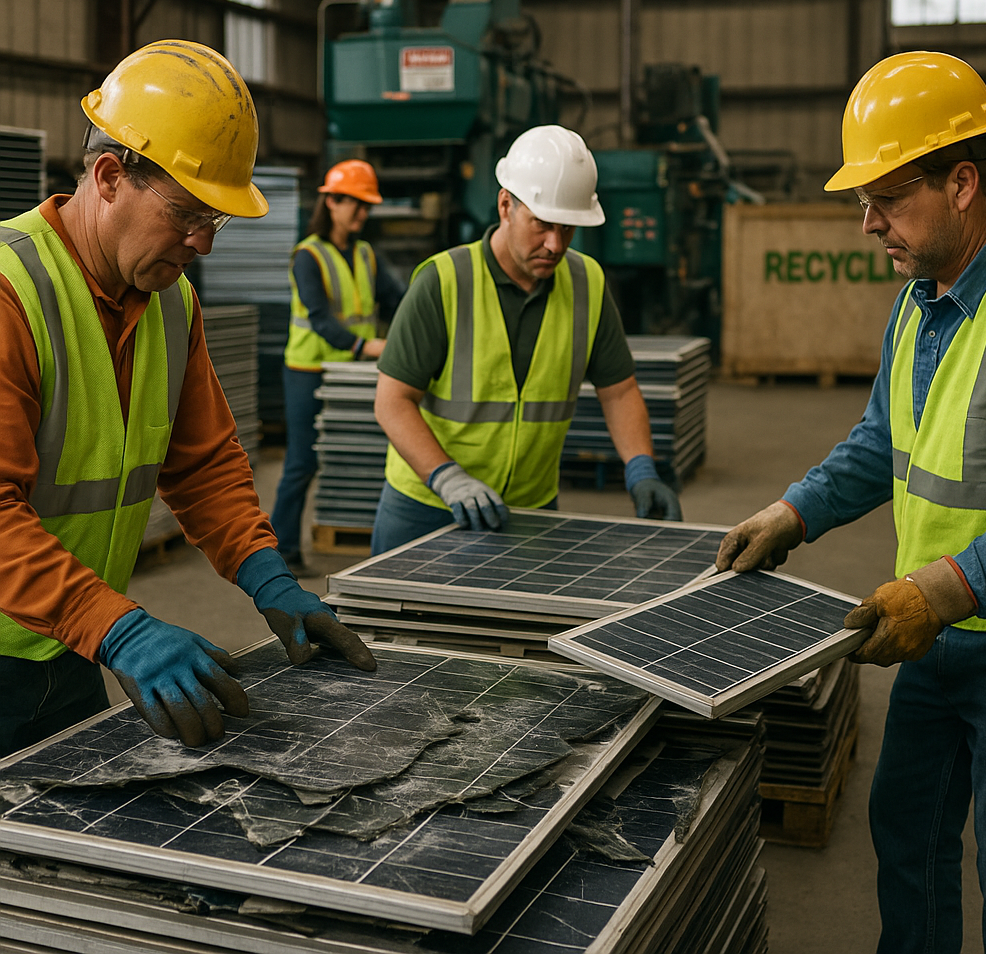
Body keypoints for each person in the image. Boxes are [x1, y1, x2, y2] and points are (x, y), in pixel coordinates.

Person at [716, 52, 986, 953]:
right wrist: (794, 512)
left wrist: (942, 590)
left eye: (886, 198)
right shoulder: (916, 304)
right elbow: (878, 442)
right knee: (908, 842)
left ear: (961, 183)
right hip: (932, 640)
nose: (866, 224)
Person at [0, 40, 375, 759]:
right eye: (186, 213)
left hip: (71, 651)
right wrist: (122, 627)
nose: (203, 241)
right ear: (109, 176)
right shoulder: (12, 293)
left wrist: (270, 578)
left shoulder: (171, 305)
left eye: (217, 219)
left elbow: (203, 467)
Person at [371, 124, 681, 555]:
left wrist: (641, 468)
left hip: (530, 511)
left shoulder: (587, 283)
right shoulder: (443, 282)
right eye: (543, 224)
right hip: (427, 505)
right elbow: (391, 401)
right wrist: (447, 477)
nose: (555, 244)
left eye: (569, 228)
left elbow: (619, 391)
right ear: (505, 206)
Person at [270, 160, 404, 573]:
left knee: (359, 456)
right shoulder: (307, 256)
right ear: (331, 202)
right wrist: (368, 344)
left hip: (349, 374)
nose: (362, 214)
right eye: (356, 204)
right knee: (301, 462)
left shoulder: (366, 255)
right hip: (309, 373)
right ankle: (281, 550)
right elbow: (321, 319)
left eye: (367, 206)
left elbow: (398, 298)